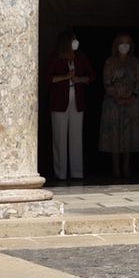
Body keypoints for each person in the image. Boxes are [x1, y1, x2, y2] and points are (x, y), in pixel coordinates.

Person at [46, 30, 92, 184]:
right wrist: (66, 77)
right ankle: (61, 173)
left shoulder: (81, 57)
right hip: (59, 100)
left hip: (77, 100)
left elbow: (92, 76)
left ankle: (77, 172)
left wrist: (80, 79)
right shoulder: (55, 58)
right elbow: (47, 78)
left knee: (76, 136)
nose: (75, 42)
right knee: (59, 137)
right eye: (73, 39)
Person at [100, 32, 139, 179]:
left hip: (132, 103)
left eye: (127, 43)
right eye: (121, 42)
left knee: (129, 135)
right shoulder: (110, 62)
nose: (124, 46)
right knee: (114, 135)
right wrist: (117, 96)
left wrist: (132, 96)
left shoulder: (135, 62)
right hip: (113, 103)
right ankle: (115, 168)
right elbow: (107, 82)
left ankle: (126, 167)